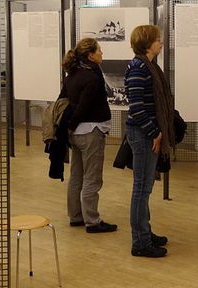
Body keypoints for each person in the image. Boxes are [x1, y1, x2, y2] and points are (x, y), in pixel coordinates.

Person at [124, 25, 175, 258]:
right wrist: (154, 132)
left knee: (145, 188)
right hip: (143, 135)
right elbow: (136, 108)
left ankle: (145, 233)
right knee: (141, 189)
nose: (161, 42)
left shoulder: (150, 66)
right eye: (157, 39)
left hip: (148, 134)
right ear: (147, 43)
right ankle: (140, 242)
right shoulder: (139, 68)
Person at [59, 38, 117, 233]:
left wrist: (69, 128)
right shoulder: (91, 77)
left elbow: (63, 100)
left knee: (77, 175)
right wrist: (72, 124)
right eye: (99, 50)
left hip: (77, 134)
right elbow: (83, 107)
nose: (102, 53)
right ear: (90, 55)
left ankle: (76, 216)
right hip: (91, 132)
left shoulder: (72, 74)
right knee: (92, 177)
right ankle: (92, 220)